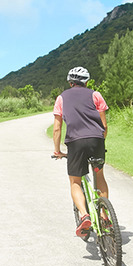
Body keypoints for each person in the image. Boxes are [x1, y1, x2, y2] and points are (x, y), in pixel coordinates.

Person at [52, 67, 109, 237]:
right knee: (99, 176)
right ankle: (104, 214)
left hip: (76, 143)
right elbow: (104, 126)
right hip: (96, 140)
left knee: (75, 181)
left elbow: (57, 128)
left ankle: (84, 215)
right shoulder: (95, 95)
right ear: (86, 82)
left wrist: (57, 151)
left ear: (70, 82)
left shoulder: (61, 98)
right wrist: (100, 141)